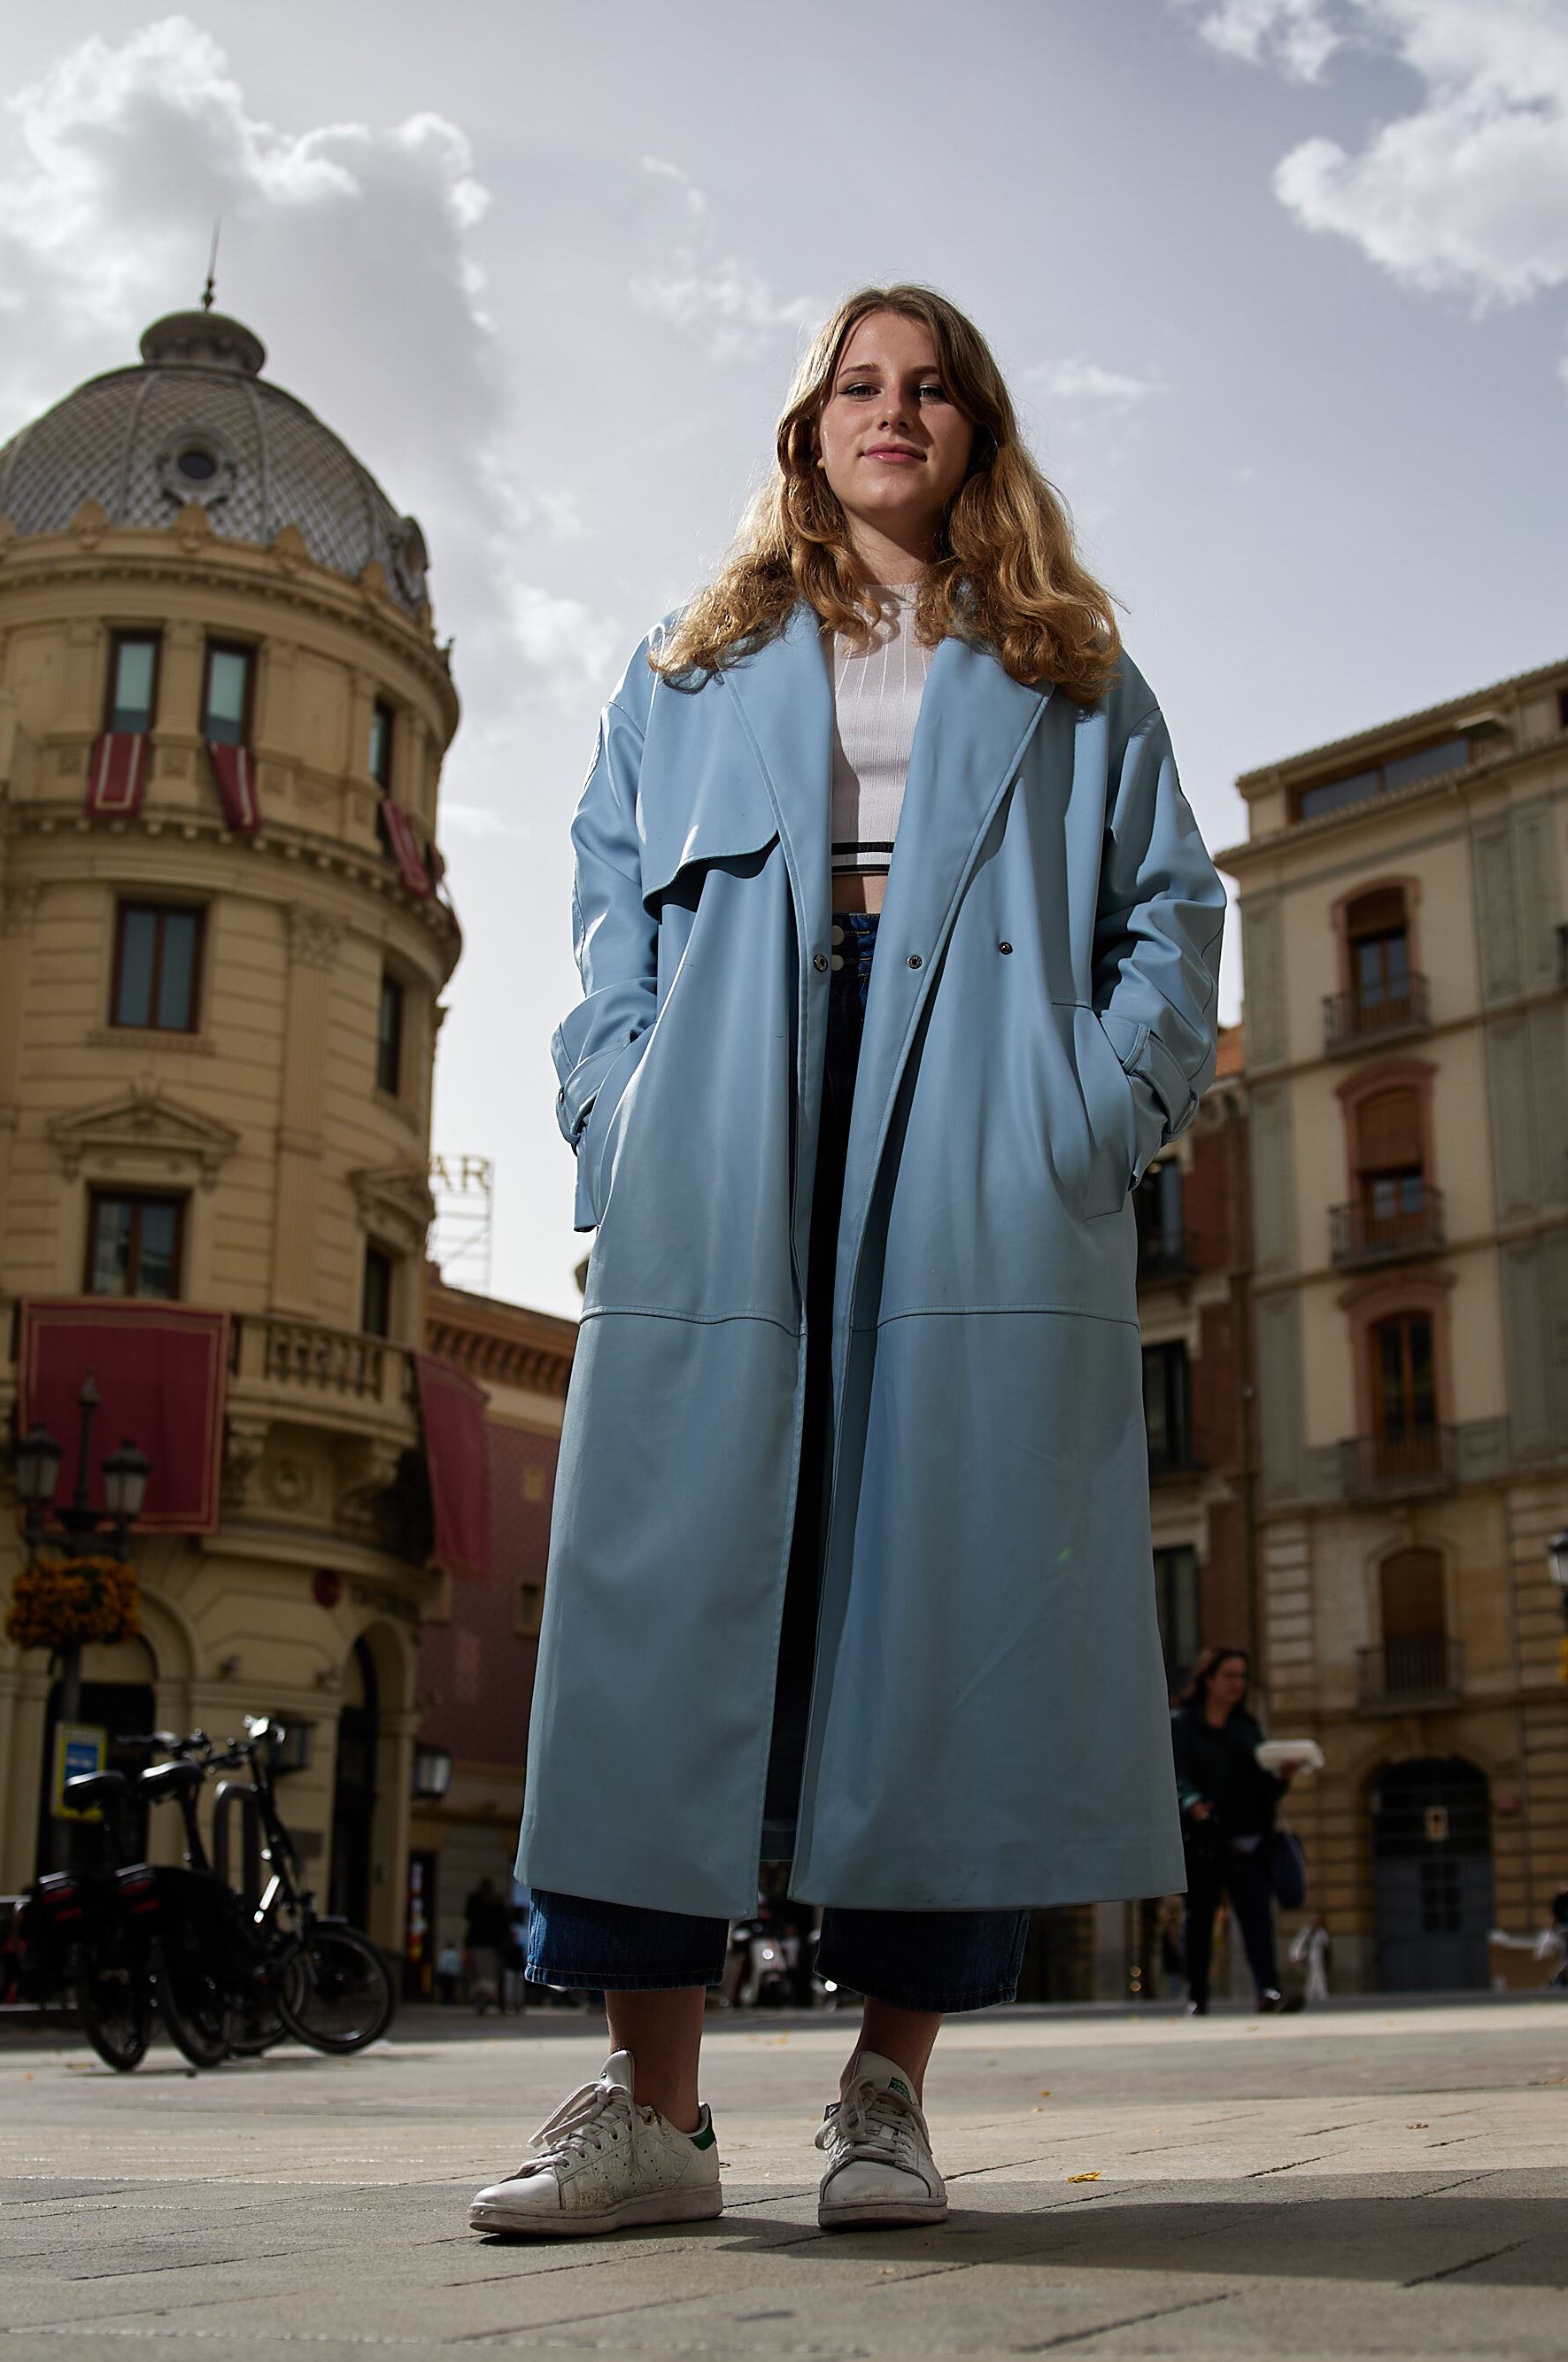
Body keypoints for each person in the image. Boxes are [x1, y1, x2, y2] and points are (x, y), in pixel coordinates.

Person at [474, 284, 1223, 2242]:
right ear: (805, 426)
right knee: (669, 1583)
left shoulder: (1068, 669)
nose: (890, 413)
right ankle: (652, 2114)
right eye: (855, 385)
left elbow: (1171, 906)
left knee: (942, 1573)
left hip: (979, 1113)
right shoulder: (692, 662)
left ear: (975, 431)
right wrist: (616, 1107)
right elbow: (599, 904)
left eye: (930, 389)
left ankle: (886, 2096)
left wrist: (1094, 1109)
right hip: (725, 1113)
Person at [1172, 1649, 1295, 2015]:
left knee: (1257, 1918)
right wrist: (1191, 1800)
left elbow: (1265, 1789)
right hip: (1205, 1839)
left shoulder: (1247, 1728)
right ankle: (1197, 1995)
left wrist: (1281, 1778)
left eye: (1242, 1676)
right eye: (1229, 1675)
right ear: (1208, 1679)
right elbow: (1172, 1775)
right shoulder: (1181, 1723)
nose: (1237, 1684)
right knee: (1199, 1920)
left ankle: (1268, 1991)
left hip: (1248, 1839)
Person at [461, 1878, 515, 2015]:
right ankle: (484, 1998)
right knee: (488, 1975)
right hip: (489, 1945)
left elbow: (468, 1916)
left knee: (480, 1975)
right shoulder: (494, 1902)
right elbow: (505, 1921)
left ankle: (481, 1998)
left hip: (480, 1944)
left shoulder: (477, 1901)